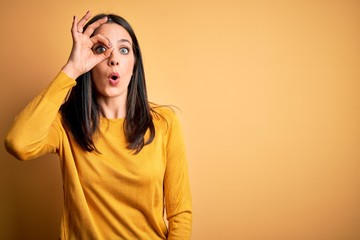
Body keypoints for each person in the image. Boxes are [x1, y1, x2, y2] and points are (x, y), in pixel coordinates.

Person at [5, 11, 192, 239]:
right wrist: (72, 69)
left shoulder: (163, 122)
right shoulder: (66, 124)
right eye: (101, 49)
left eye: (124, 50)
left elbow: (180, 212)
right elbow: (18, 143)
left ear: (134, 64)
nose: (114, 59)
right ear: (88, 64)